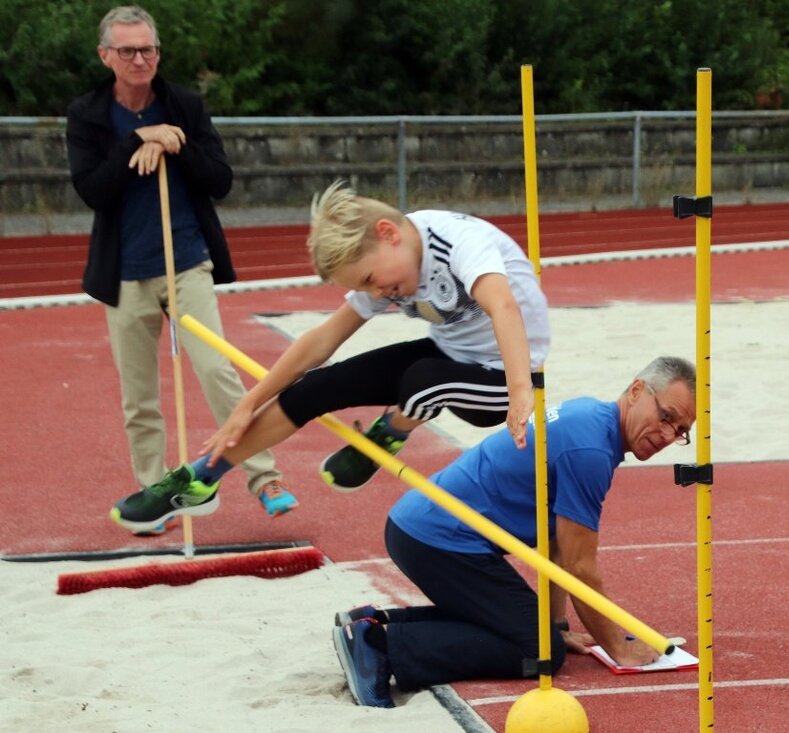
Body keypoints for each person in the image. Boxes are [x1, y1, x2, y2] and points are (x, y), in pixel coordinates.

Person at [108, 178, 551, 533]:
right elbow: (321, 342)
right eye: (367, 289)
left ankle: (387, 436)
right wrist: (247, 404)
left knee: (422, 378)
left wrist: (519, 396)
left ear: (388, 234)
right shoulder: (386, 267)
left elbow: (503, 306)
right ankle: (203, 475)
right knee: (318, 386)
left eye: (372, 279)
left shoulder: (457, 242)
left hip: (503, 379)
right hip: (446, 356)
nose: (378, 294)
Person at [331, 356, 696, 707]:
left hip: (423, 526)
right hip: (439, 539)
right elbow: (580, 567)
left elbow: (557, 549)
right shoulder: (591, 450)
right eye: (666, 417)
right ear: (635, 391)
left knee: (541, 634)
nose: (667, 434)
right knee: (541, 652)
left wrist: (557, 624)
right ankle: (378, 646)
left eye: (681, 432)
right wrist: (617, 645)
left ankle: (373, 621)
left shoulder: (591, 418)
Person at [66, 5, 294, 536]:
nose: (139, 58)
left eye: (147, 49)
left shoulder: (184, 106)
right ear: (106, 56)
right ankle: (155, 492)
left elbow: (219, 180)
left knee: (218, 372)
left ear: (158, 52)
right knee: (139, 396)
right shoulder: (88, 114)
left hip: (185, 262)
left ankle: (265, 478)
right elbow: (91, 190)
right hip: (123, 273)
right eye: (127, 50)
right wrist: (138, 142)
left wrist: (176, 141)